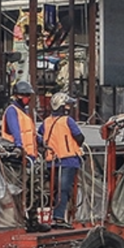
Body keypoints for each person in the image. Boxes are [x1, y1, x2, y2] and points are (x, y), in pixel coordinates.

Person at [39, 92, 85, 226]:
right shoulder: (68, 121)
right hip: (68, 160)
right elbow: (79, 137)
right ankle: (59, 217)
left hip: (51, 161)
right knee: (64, 189)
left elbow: (40, 136)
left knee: (55, 189)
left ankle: (55, 215)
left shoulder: (46, 122)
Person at [1, 80, 38, 161]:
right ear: (17, 96)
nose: (28, 98)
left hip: (28, 156)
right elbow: (15, 130)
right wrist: (18, 146)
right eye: (26, 95)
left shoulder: (24, 113)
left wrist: (40, 140)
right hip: (17, 156)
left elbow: (30, 133)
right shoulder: (12, 111)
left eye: (28, 95)